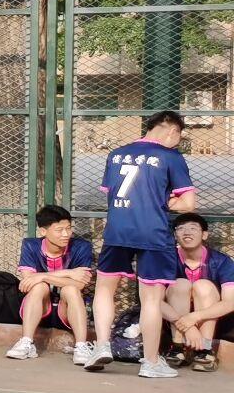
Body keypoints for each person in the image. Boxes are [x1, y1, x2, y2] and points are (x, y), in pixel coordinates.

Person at [91, 109, 196, 378]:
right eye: (179, 137)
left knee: (104, 288)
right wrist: (162, 201)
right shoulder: (171, 157)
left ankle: (101, 345)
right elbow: (188, 203)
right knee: (151, 298)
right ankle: (150, 362)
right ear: (172, 130)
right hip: (153, 232)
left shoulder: (116, 154)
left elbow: (112, 193)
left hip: (117, 230)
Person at [7, 204, 96, 365]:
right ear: (43, 231)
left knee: (71, 289)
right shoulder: (30, 245)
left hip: (67, 313)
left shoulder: (81, 247)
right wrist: (68, 273)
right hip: (39, 310)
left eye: (68, 228)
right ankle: (27, 342)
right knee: (38, 287)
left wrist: (42, 276)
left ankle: (81, 347)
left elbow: (80, 284)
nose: (66, 234)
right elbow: (28, 281)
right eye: (59, 230)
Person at [160, 213, 234, 373]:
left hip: (215, 321)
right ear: (175, 235)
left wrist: (194, 317)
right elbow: (154, 301)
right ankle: (177, 347)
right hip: (172, 320)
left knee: (203, 286)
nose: (187, 232)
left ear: (204, 234)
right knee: (180, 284)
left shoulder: (221, 261)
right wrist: (185, 324)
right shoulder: (166, 260)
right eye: (181, 229)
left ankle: (204, 350)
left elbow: (230, 302)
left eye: (193, 228)